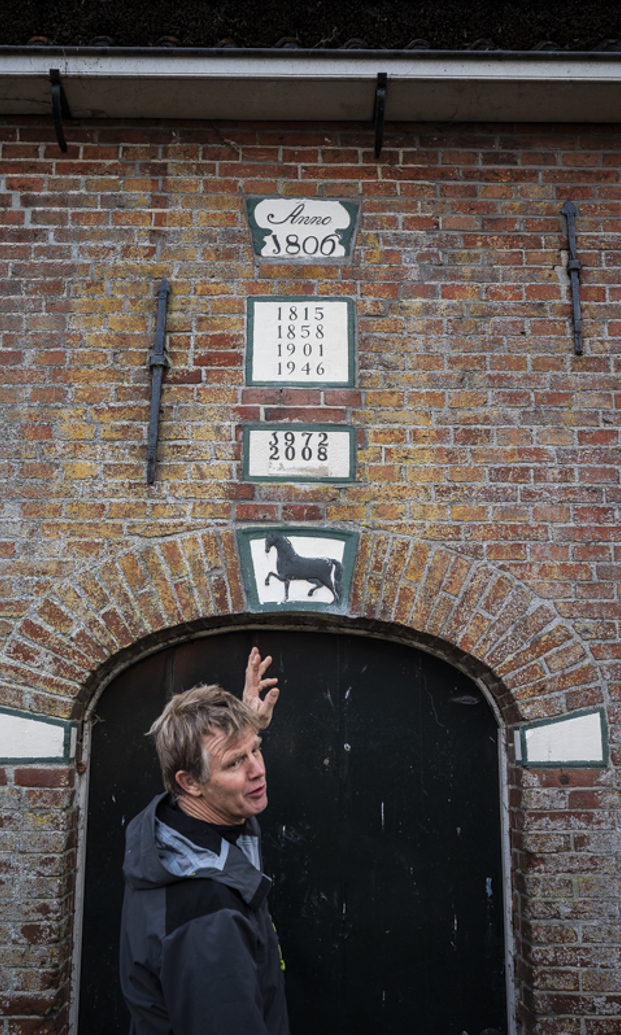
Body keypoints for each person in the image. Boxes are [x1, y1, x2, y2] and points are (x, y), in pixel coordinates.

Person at [119, 647, 290, 1035]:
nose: (257, 770)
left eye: (256, 750)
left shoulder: (175, 830)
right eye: (235, 763)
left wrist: (247, 727)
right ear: (190, 783)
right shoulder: (208, 917)